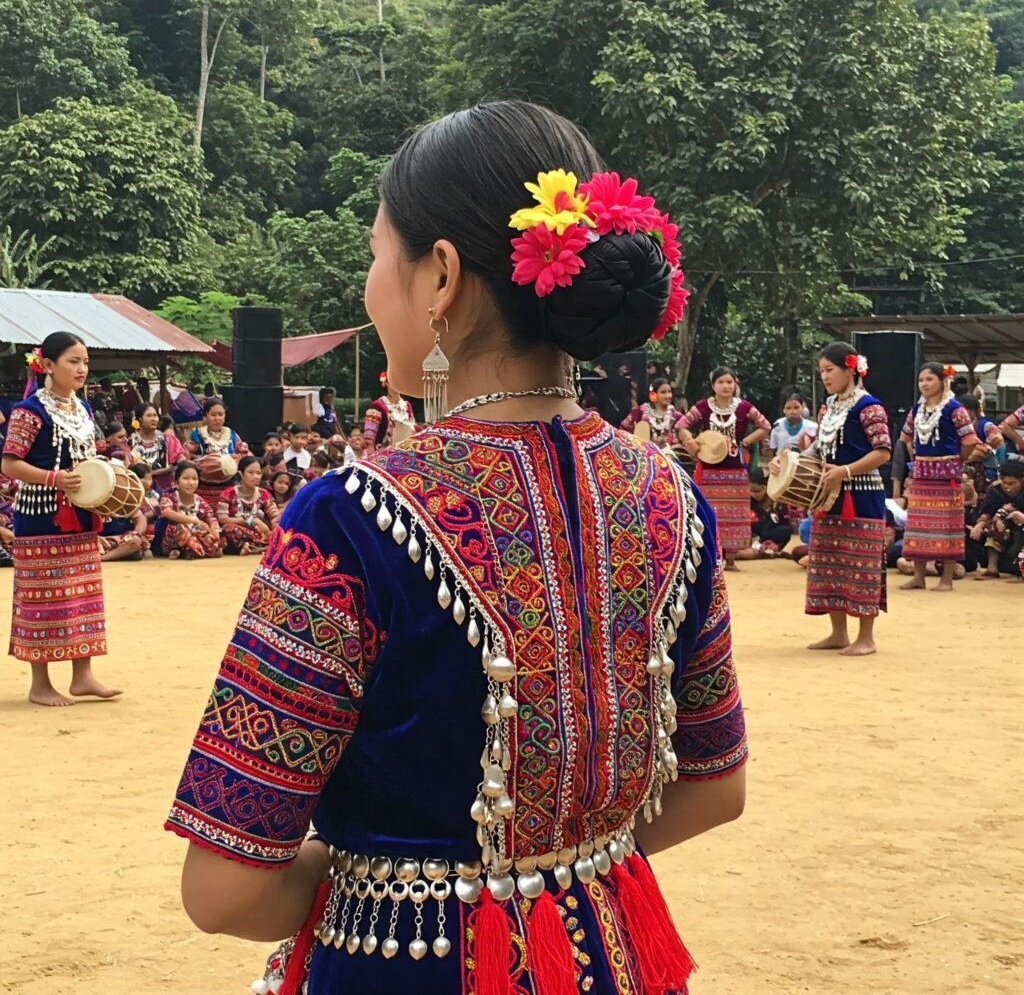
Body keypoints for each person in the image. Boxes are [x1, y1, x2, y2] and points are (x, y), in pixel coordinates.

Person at [167, 100, 745, 995]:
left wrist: (378, 876)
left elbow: (225, 889)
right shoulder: (672, 496)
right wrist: (554, 861)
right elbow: (713, 788)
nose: (369, 285)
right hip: (609, 954)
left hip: (403, 964)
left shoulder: (349, 518)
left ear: (440, 276)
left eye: (374, 255)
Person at [1, 332, 121, 706]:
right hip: (40, 515)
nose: (82, 368)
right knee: (43, 597)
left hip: (81, 512)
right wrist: (54, 479)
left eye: (85, 361)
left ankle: (82, 675)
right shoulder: (29, 410)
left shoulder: (82, 410)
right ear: (48, 365)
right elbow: (9, 463)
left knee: (82, 593)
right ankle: (40, 684)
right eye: (73, 360)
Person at [771, 342, 891, 656]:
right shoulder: (828, 407)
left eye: (830, 370)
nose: (825, 376)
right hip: (829, 492)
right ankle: (839, 633)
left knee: (861, 564)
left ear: (850, 369)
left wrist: (845, 471)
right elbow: (819, 450)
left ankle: (866, 638)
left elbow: (882, 452)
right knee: (829, 561)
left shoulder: (870, 406)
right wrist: (789, 460)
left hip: (862, 494)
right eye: (822, 370)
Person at [679, 367, 771, 569]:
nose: (726, 386)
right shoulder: (703, 407)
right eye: (721, 382)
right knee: (707, 512)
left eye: (729, 382)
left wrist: (745, 442)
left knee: (734, 514)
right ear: (713, 386)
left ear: (735, 384)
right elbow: (681, 425)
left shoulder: (744, 407)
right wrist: (690, 442)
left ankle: (730, 559)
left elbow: (765, 426)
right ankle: (709, 557)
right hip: (708, 468)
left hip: (734, 468)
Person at [899, 362, 979, 592]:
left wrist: (957, 461)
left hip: (947, 477)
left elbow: (970, 440)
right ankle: (919, 576)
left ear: (942, 381)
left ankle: (946, 579)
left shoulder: (955, 409)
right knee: (918, 527)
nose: (924, 384)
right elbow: (906, 437)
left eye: (929, 379)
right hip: (922, 476)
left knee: (948, 527)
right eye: (921, 380)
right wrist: (916, 462)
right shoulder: (917, 410)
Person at [185, 398, 249, 505]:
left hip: (230, 485)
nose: (217, 418)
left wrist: (236, 460)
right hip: (204, 487)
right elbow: (187, 458)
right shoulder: (197, 435)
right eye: (213, 415)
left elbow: (244, 456)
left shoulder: (232, 435)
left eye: (221, 414)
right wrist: (203, 463)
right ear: (206, 416)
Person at [155, 461, 224, 560]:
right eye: (186, 478)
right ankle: (185, 550)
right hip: (171, 538)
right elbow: (166, 511)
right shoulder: (169, 498)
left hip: (195, 534)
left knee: (215, 542)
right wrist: (194, 521)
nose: (191, 483)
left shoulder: (199, 500)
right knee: (179, 528)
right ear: (176, 481)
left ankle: (187, 551)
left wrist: (213, 530)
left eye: (194, 479)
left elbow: (211, 517)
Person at [969, 460, 1024, 579]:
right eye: (1005, 484)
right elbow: (987, 512)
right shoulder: (996, 491)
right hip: (1004, 533)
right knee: (992, 526)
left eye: (1012, 483)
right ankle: (992, 568)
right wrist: (979, 525)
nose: (1008, 488)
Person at [217, 455, 279, 556]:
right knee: (229, 529)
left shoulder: (264, 494)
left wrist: (275, 529)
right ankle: (256, 547)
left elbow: (274, 514)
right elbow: (223, 519)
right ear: (241, 474)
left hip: (260, 532)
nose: (256, 476)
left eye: (258, 473)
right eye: (251, 473)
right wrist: (250, 520)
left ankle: (254, 547)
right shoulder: (229, 493)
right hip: (237, 531)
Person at [736, 467, 791, 560]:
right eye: (751, 491)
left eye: (758, 491)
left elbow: (785, 524)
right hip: (754, 535)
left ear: (766, 487)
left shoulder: (777, 500)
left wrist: (778, 546)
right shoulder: (748, 501)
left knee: (786, 530)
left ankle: (773, 550)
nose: (754, 495)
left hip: (771, 533)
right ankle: (758, 550)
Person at [129, 402, 184, 494]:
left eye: (155, 415)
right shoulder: (131, 442)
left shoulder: (168, 439)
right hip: (141, 489)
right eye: (149, 416)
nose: (153, 419)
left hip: (168, 489)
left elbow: (178, 461)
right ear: (140, 420)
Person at [620, 377, 685, 449]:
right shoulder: (639, 412)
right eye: (663, 392)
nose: (668, 396)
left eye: (669, 392)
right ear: (653, 395)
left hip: (669, 456)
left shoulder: (676, 416)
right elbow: (622, 431)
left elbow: (685, 436)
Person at [364, 372, 416, 452]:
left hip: (406, 453)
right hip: (383, 455)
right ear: (385, 384)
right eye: (394, 382)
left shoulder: (407, 406)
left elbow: (413, 432)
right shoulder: (377, 406)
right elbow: (369, 439)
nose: (397, 385)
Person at [960, 394, 1002, 491]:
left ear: (977, 412)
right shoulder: (955, 426)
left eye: (970, 411)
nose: (966, 414)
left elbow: (995, 433)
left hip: (985, 470)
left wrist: (990, 442)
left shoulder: (983, 425)